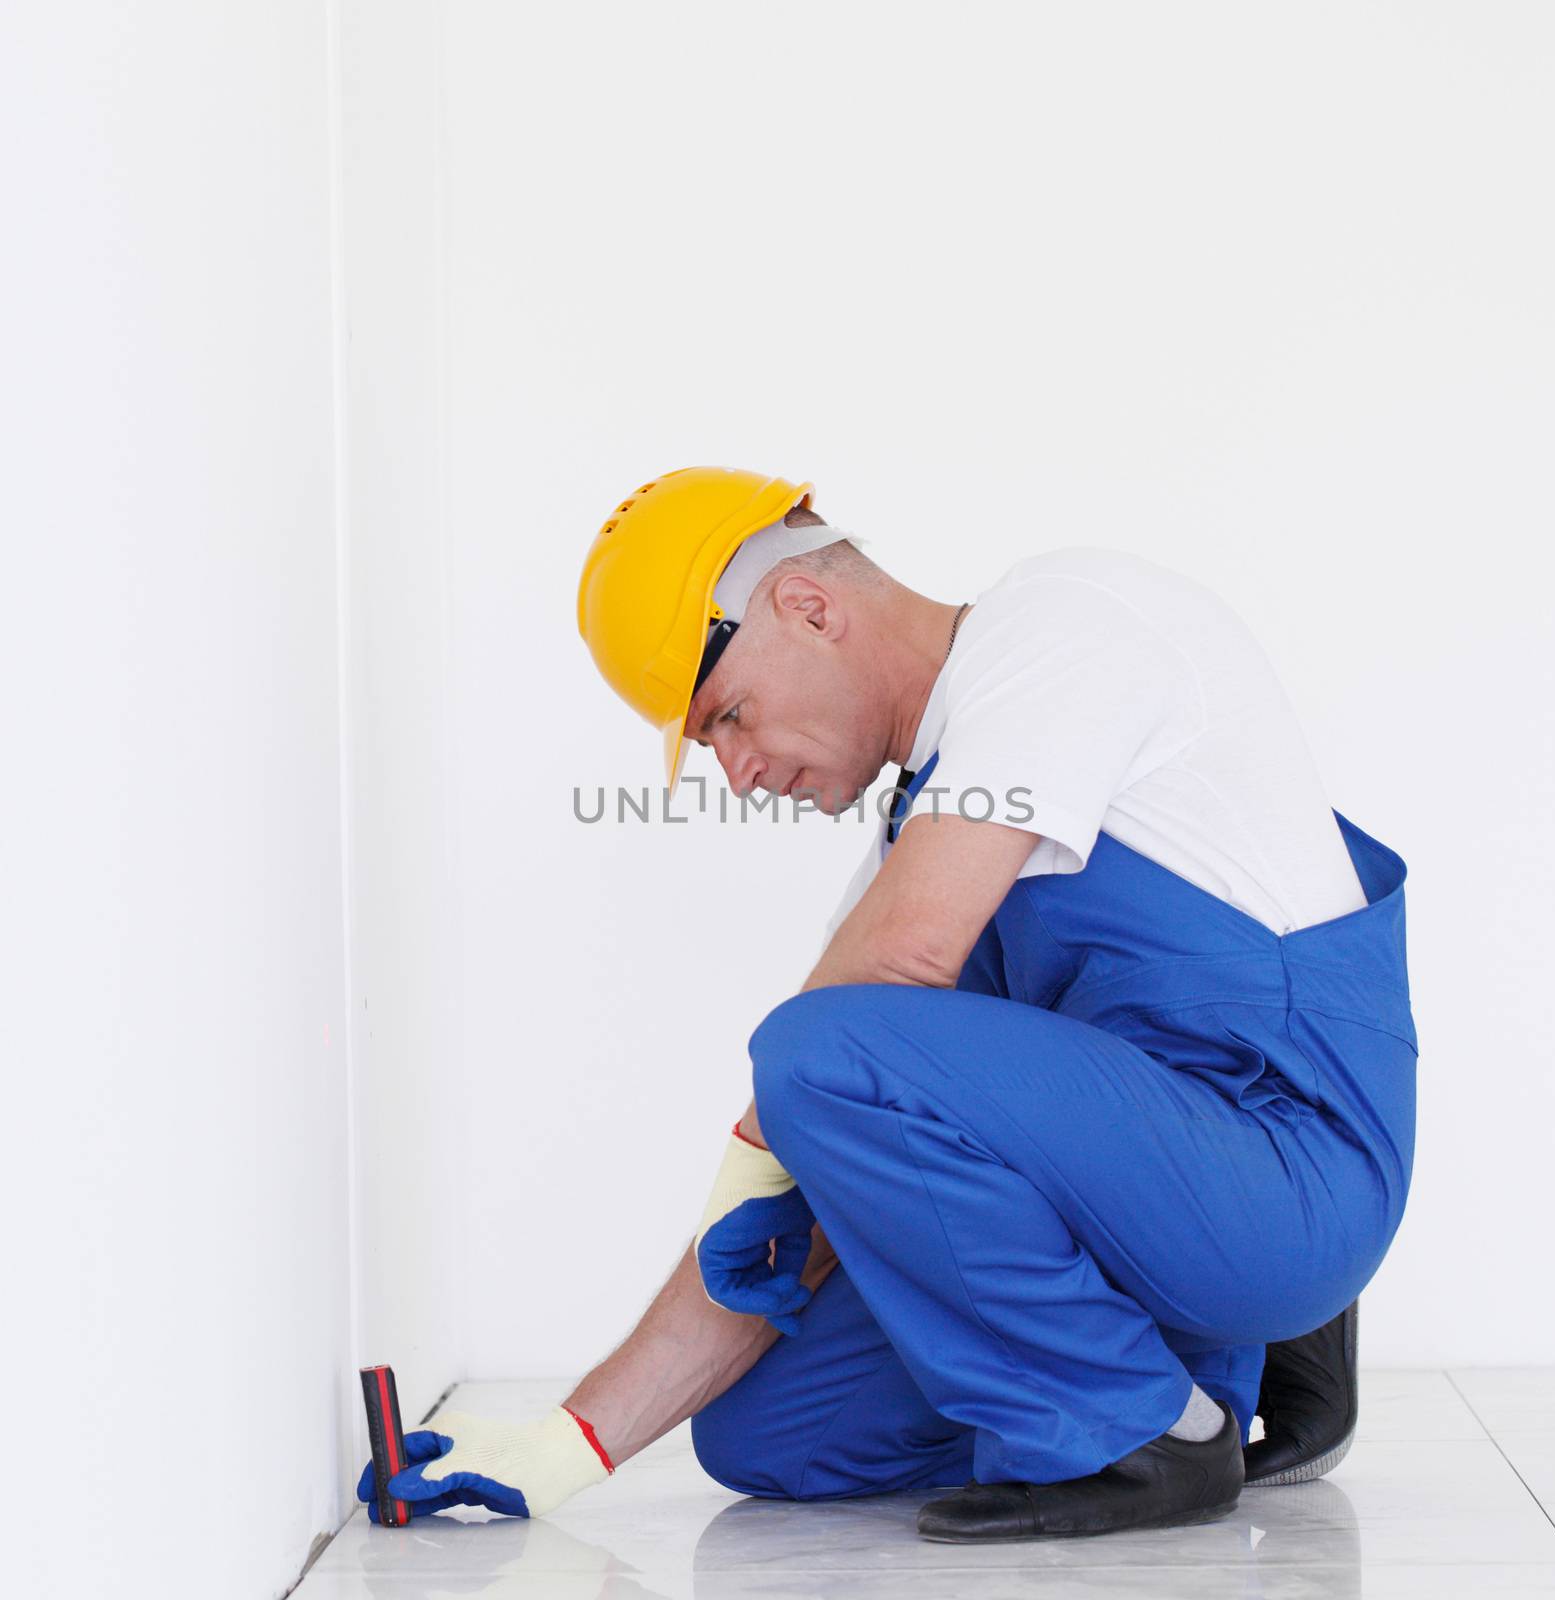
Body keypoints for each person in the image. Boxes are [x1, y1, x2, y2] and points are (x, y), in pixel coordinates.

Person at [357, 467, 1416, 1541]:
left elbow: (844, 1032)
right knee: (769, 1435)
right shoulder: (923, 841)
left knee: (820, 1048)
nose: (736, 772)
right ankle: (1193, 1377)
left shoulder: (1063, 621)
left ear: (807, 608)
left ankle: (1156, 1430)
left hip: (1289, 1173)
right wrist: (561, 1446)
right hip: (1157, 1197)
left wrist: (769, 1141)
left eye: (725, 715)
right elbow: (824, 1142)